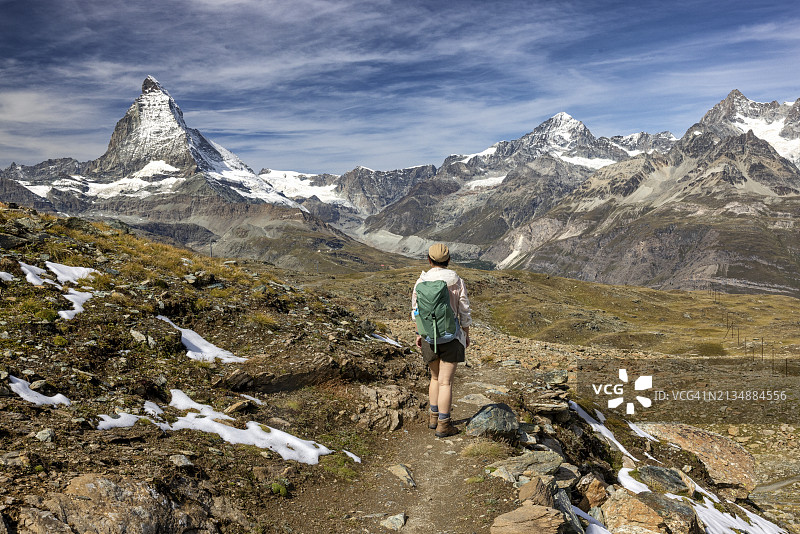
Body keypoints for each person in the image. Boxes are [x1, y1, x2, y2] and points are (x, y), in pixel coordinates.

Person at [411, 243, 472, 438]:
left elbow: (416, 311)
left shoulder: (421, 281)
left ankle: (433, 417)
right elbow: (464, 309)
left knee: (435, 378)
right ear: (448, 260)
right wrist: (466, 332)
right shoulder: (456, 280)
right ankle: (444, 425)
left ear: (429, 260)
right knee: (446, 382)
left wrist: (419, 334)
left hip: (429, 336)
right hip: (451, 336)